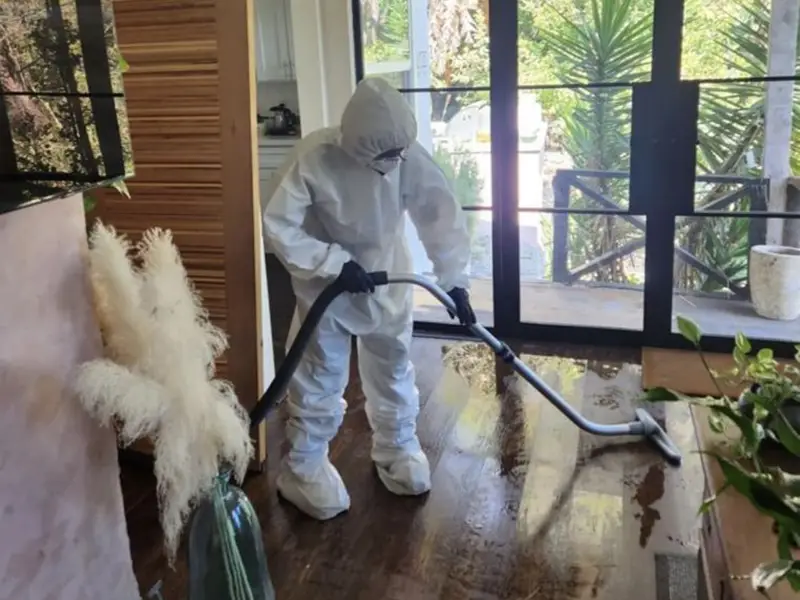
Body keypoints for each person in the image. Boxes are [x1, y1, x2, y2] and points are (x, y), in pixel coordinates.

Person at [262, 77, 476, 521]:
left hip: (389, 278)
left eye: (398, 154)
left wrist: (455, 280)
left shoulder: (406, 156)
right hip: (328, 285)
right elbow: (278, 225)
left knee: (393, 363)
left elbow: (440, 215)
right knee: (320, 374)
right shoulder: (313, 158)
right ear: (355, 142)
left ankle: (396, 448)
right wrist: (333, 262)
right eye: (385, 156)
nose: (394, 163)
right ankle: (302, 466)